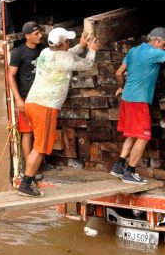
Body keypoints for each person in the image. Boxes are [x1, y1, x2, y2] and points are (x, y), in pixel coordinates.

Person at [18, 27, 100, 197]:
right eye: (67, 41)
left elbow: (67, 54)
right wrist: (91, 50)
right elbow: (86, 64)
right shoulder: (63, 59)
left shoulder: (46, 52)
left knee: (39, 143)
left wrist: (81, 46)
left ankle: (28, 179)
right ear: (63, 43)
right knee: (40, 147)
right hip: (45, 106)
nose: (68, 44)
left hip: (32, 103)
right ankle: (26, 183)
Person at [111, 25, 165, 184]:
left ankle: (119, 166)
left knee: (133, 134)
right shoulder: (153, 52)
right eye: (164, 44)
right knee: (144, 137)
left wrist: (124, 87)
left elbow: (119, 73)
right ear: (156, 41)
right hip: (139, 101)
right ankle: (130, 172)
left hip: (128, 99)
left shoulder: (134, 51)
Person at [8, 21, 46, 170]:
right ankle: (29, 166)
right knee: (27, 132)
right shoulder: (19, 52)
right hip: (26, 98)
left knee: (40, 131)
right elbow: (11, 75)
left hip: (42, 97)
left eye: (40, 32)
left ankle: (39, 161)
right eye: (36, 34)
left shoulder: (43, 50)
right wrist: (18, 99)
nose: (40, 36)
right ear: (27, 36)